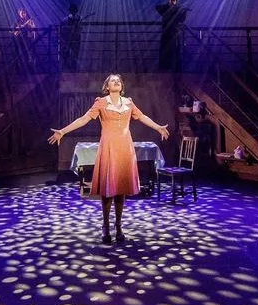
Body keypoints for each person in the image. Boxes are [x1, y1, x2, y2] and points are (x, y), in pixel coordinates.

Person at [47, 74, 170, 244]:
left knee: (121, 187)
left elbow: (142, 117)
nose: (116, 82)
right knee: (108, 189)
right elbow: (83, 119)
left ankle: (118, 226)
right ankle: (105, 226)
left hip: (125, 147)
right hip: (109, 147)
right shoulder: (101, 103)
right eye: (113, 80)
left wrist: (158, 127)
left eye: (118, 80)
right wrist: (63, 131)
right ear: (106, 86)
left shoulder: (128, 102)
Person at [155, 0, 187, 71]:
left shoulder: (177, 10)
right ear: (168, 1)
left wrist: (182, 10)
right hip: (166, 33)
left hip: (174, 33)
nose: (173, 2)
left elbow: (182, 19)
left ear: (176, 1)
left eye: (174, 0)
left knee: (175, 51)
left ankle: (175, 68)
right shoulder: (165, 9)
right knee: (164, 51)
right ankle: (163, 68)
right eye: (171, 0)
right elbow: (157, 7)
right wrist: (169, 5)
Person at [58, 3, 82, 71]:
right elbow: (61, 30)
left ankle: (71, 70)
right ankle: (68, 70)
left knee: (74, 55)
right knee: (67, 55)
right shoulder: (65, 20)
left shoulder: (79, 19)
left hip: (74, 40)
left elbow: (80, 29)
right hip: (69, 40)